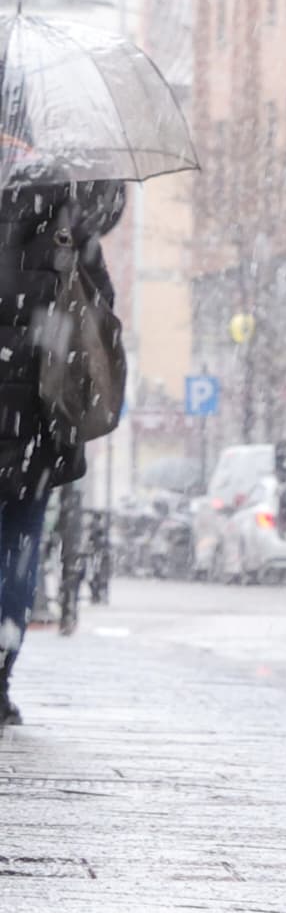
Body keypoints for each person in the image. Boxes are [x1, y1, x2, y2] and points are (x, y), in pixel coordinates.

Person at [0, 164, 129, 723]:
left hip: (30, 414)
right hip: (35, 413)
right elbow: (101, 314)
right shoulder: (66, 210)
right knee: (19, 544)